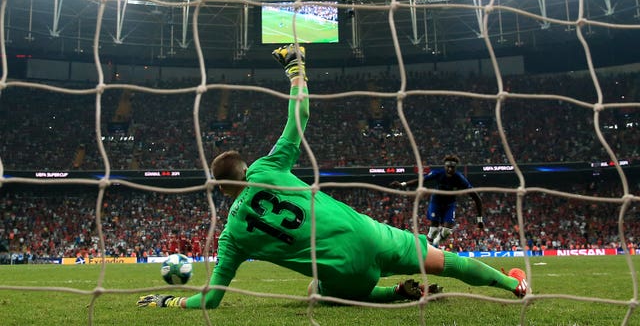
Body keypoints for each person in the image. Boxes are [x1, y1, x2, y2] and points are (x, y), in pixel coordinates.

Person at [136, 45, 528, 310]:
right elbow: (300, 116)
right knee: (448, 261)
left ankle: (392, 294)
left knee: (316, 292)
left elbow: (212, 299)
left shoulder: (231, 235)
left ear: (221, 188)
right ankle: (514, 286)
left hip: (346, 273)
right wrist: (295, 69)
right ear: (246, 168)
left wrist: (169, 302)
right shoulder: (268, 168)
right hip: (369, 233)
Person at [390, 155, 484, 247]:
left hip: (449, 205)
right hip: (436, 202)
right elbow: (420, 180)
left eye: (452, 167)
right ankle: (427, 247)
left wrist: (480, 220)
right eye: (448, 167)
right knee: (434, 229)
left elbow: (477, 198)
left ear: (455, 167)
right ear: (445, 166)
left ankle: (435, 243)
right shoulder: (438, 173)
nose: (450, 169)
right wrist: (402, 184)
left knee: (446, 231)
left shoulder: (460, 178)